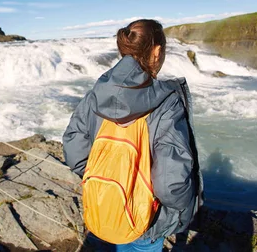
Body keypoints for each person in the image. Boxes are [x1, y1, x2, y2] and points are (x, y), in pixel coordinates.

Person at [63, 19, 203, 251]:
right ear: (157, 51)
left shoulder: (96, 94)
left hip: (104, 207)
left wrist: (105, 180)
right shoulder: (166, 103)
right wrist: (178, 212)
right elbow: (171, 182)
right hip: (147, 218)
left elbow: (73, 146)